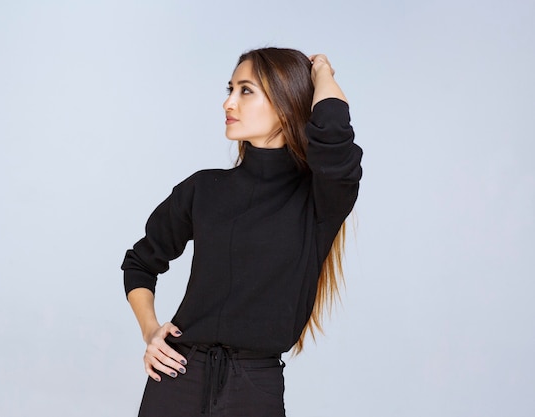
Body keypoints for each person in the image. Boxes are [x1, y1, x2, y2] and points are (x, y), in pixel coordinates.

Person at [121, 47, 363, 417]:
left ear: (286, 103)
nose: (227, 103)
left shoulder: (318, 200)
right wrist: (151, 330)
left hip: (254, 390)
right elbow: (140, 262)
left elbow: (333, 133)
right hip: (176, 381)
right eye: (229, 89)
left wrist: (323, 74)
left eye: (245, 90)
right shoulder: (203, 189)